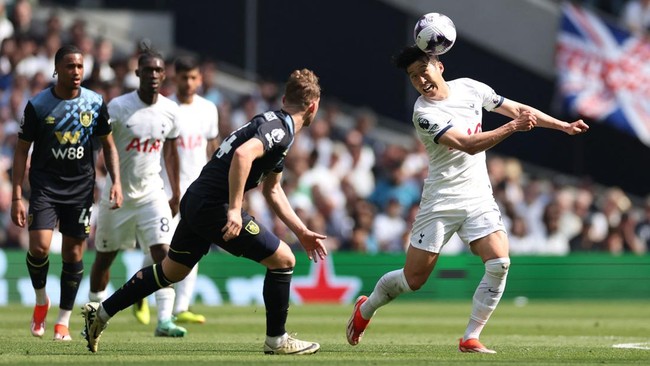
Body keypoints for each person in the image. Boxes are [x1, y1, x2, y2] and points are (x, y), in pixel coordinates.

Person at [346, 45, 589, 353]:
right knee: (413, 279)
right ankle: (366, 309)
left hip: (477, 196)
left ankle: (470, 336)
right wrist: (512, 128)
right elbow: (467, 144)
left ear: (440, 67)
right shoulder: (424, 113)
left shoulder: (471, 88)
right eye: (413, 77)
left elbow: (518, 110)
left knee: (500, 262)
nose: (421, 81)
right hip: (440, 202)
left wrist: (563, 126)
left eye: (423, 71)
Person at [81, 68, 328, 355]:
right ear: (313, 106)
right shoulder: (279, 130)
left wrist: (302, 231)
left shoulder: (275, 126)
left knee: (169, 272)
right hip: (214, 206)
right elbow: (243, 155)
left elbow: (272, 189)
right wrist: (235, 209)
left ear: (285, 98)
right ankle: (276, 340)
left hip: (196, 200)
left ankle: (100, 314)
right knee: (283, 259)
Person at [11, 45, 122, 341]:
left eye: (80, 67)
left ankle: (63, 320)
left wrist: (116, 181)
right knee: (40, 248)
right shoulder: (38, 105)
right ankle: (40, 301)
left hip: (80, 189)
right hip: (45, 187)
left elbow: (109, 146)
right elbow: (21, 150)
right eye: (70, 66)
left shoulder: (95, 103)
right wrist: (16, 195)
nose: (76, 72)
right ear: (56, 69)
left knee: (74, 253)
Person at [87, 43, 186, 338]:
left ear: (164, 75)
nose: (153, 74)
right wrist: (104, 180)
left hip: (152, 193)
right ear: (137, 73)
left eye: (158, 70)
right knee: (105, 257)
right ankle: (93, 313)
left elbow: (170, 152)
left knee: (163, 253)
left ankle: (164, 321)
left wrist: (176, 191)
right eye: (147, 70)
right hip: (118, 195)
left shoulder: (170, 110)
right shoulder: (118, 107)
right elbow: (102, 146)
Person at [134, 55, 219, 325]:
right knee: (162, 247)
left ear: (200, 79)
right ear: (175, 77)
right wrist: (172, 189)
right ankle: (139, 289)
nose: (189, 83)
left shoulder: (209, 109)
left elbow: (212, 148)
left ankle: (181, 307)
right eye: (184, 77)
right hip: (168, 190)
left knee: (195, 247)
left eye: (194, 77)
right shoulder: (166, 108)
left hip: (200, 190)